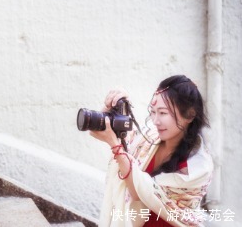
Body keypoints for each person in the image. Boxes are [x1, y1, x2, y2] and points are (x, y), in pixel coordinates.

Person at [89, 75, 213, 227]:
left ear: (190, 115)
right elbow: (96, 131)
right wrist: (111, 109)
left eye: (163, 113)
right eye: (153, 112)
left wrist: (116, 147)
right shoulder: (147, 140)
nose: (155, 121)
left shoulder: (197, 166)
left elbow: (140, 193)